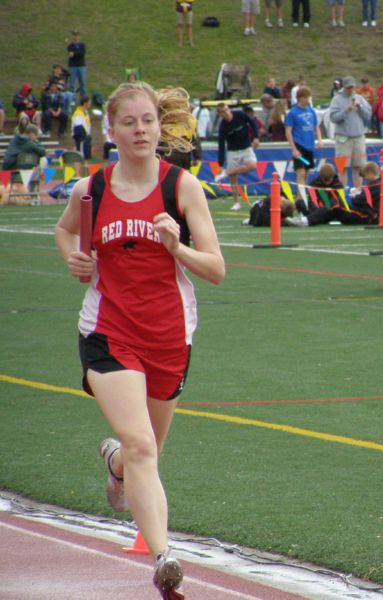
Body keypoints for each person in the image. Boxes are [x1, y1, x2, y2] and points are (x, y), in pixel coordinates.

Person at [53, 80, 225, 600]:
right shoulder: (93, 189)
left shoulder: (182, 188)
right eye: (128, 122)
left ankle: (114, 465)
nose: (140, 130)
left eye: (147, 120)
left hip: (171, 334)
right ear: (111, 131)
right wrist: (74, 259)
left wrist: (177, 246)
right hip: (109, 332)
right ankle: (164, 560)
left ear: (160, 125)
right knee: (143, 445)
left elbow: (216, 270)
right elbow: (64, 233)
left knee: (144, 452)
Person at [329, 76, 372, 189]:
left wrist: (360, 107)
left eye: (352, 87)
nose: (350, 90)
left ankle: (358, 191)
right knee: (342, 167)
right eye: (348, 88)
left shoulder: (359, 98)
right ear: (343, 87)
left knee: (358, 167)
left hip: (358, 138)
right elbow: (333, 118)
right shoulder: (336, 100)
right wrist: (346, 111)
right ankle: (342, 193)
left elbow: (368, 115)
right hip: (343, 139)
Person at [215, 102, 260, 210]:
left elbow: (252, 123)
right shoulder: (223, 127)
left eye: (226, 110)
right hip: (233, 151)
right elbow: (221, 145)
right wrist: (220, 164)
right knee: (233, 178)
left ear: (229, 109)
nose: (226, 113)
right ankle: (236, 202)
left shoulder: (240, 114)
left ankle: (227, 172)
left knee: (253, 165)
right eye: (223, 112)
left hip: (246, 147)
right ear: (220, 114)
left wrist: (256, 137)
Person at [285, 86, 322, 196]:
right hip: (299, 146)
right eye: (306, 98)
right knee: (300, 173)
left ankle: (301, 198)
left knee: (306, 173)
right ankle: (300, 199)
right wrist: (293, 149)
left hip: (309, 146)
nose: (307, 100)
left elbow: (316, 126)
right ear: (300, 98)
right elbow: (288, 131)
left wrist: (319, 140)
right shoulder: (293, 113)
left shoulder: (311, 110)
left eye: (308, 98)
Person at [157, 88, 202, 170]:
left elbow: (158, 140)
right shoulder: (189, 119)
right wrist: (197, 157)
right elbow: (195, 139)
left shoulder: (163, 118)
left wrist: (158, 155)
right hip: (183, 155)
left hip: (167, 154)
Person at [67, 31, 87, 98]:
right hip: (73, 66)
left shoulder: (82, 45)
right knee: (72, 83)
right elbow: (71, 55)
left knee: (82, 83)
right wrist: (77, 53)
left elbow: (82, 53)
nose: (75, 37)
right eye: (74, 35)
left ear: (79, 37)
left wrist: (74, 53)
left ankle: (83, 98)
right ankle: (72, 99)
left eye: (77, 35)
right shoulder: (70, 46)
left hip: (81, 66)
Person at [72, 95, 93, 160]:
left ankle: (85, 169)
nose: (90, 104)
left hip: (86, 137)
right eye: (89, 102)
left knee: (86, 156)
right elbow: (78, 128)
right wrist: (84, 138)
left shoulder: (86, 113)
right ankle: (79, 170)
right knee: (80, 156)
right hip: (82, 138)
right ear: (85, 103)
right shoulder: (78, 113)